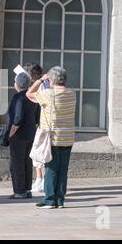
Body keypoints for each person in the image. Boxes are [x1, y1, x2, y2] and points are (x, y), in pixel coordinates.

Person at [26, 66, 76, 209]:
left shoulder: (48, 94)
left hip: (53, 137)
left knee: (51, 169)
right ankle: (60, 200)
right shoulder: (72, 94)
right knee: (63, 170)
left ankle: (49, 200)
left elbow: (29, 93)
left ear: (52, 79)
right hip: (67, 137)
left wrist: (41, 80)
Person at [4, 72, 40, 199]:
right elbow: (37, 117)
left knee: (16, 163)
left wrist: (10, 133)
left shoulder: (18, 97)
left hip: (18, 135)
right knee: (27, 162)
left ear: (18, 84)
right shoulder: (33, 97)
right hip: (31, 134)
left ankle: (19, 191)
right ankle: (27, 189)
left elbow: (17, 118)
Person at [26, 62, 49, 193]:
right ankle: (39, 179)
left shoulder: (42, 85)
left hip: (42, 122)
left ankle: (42, 179)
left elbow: (30, 95)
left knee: (39, 152)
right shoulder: (40, 83)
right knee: (36, 153)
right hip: (39, 121)